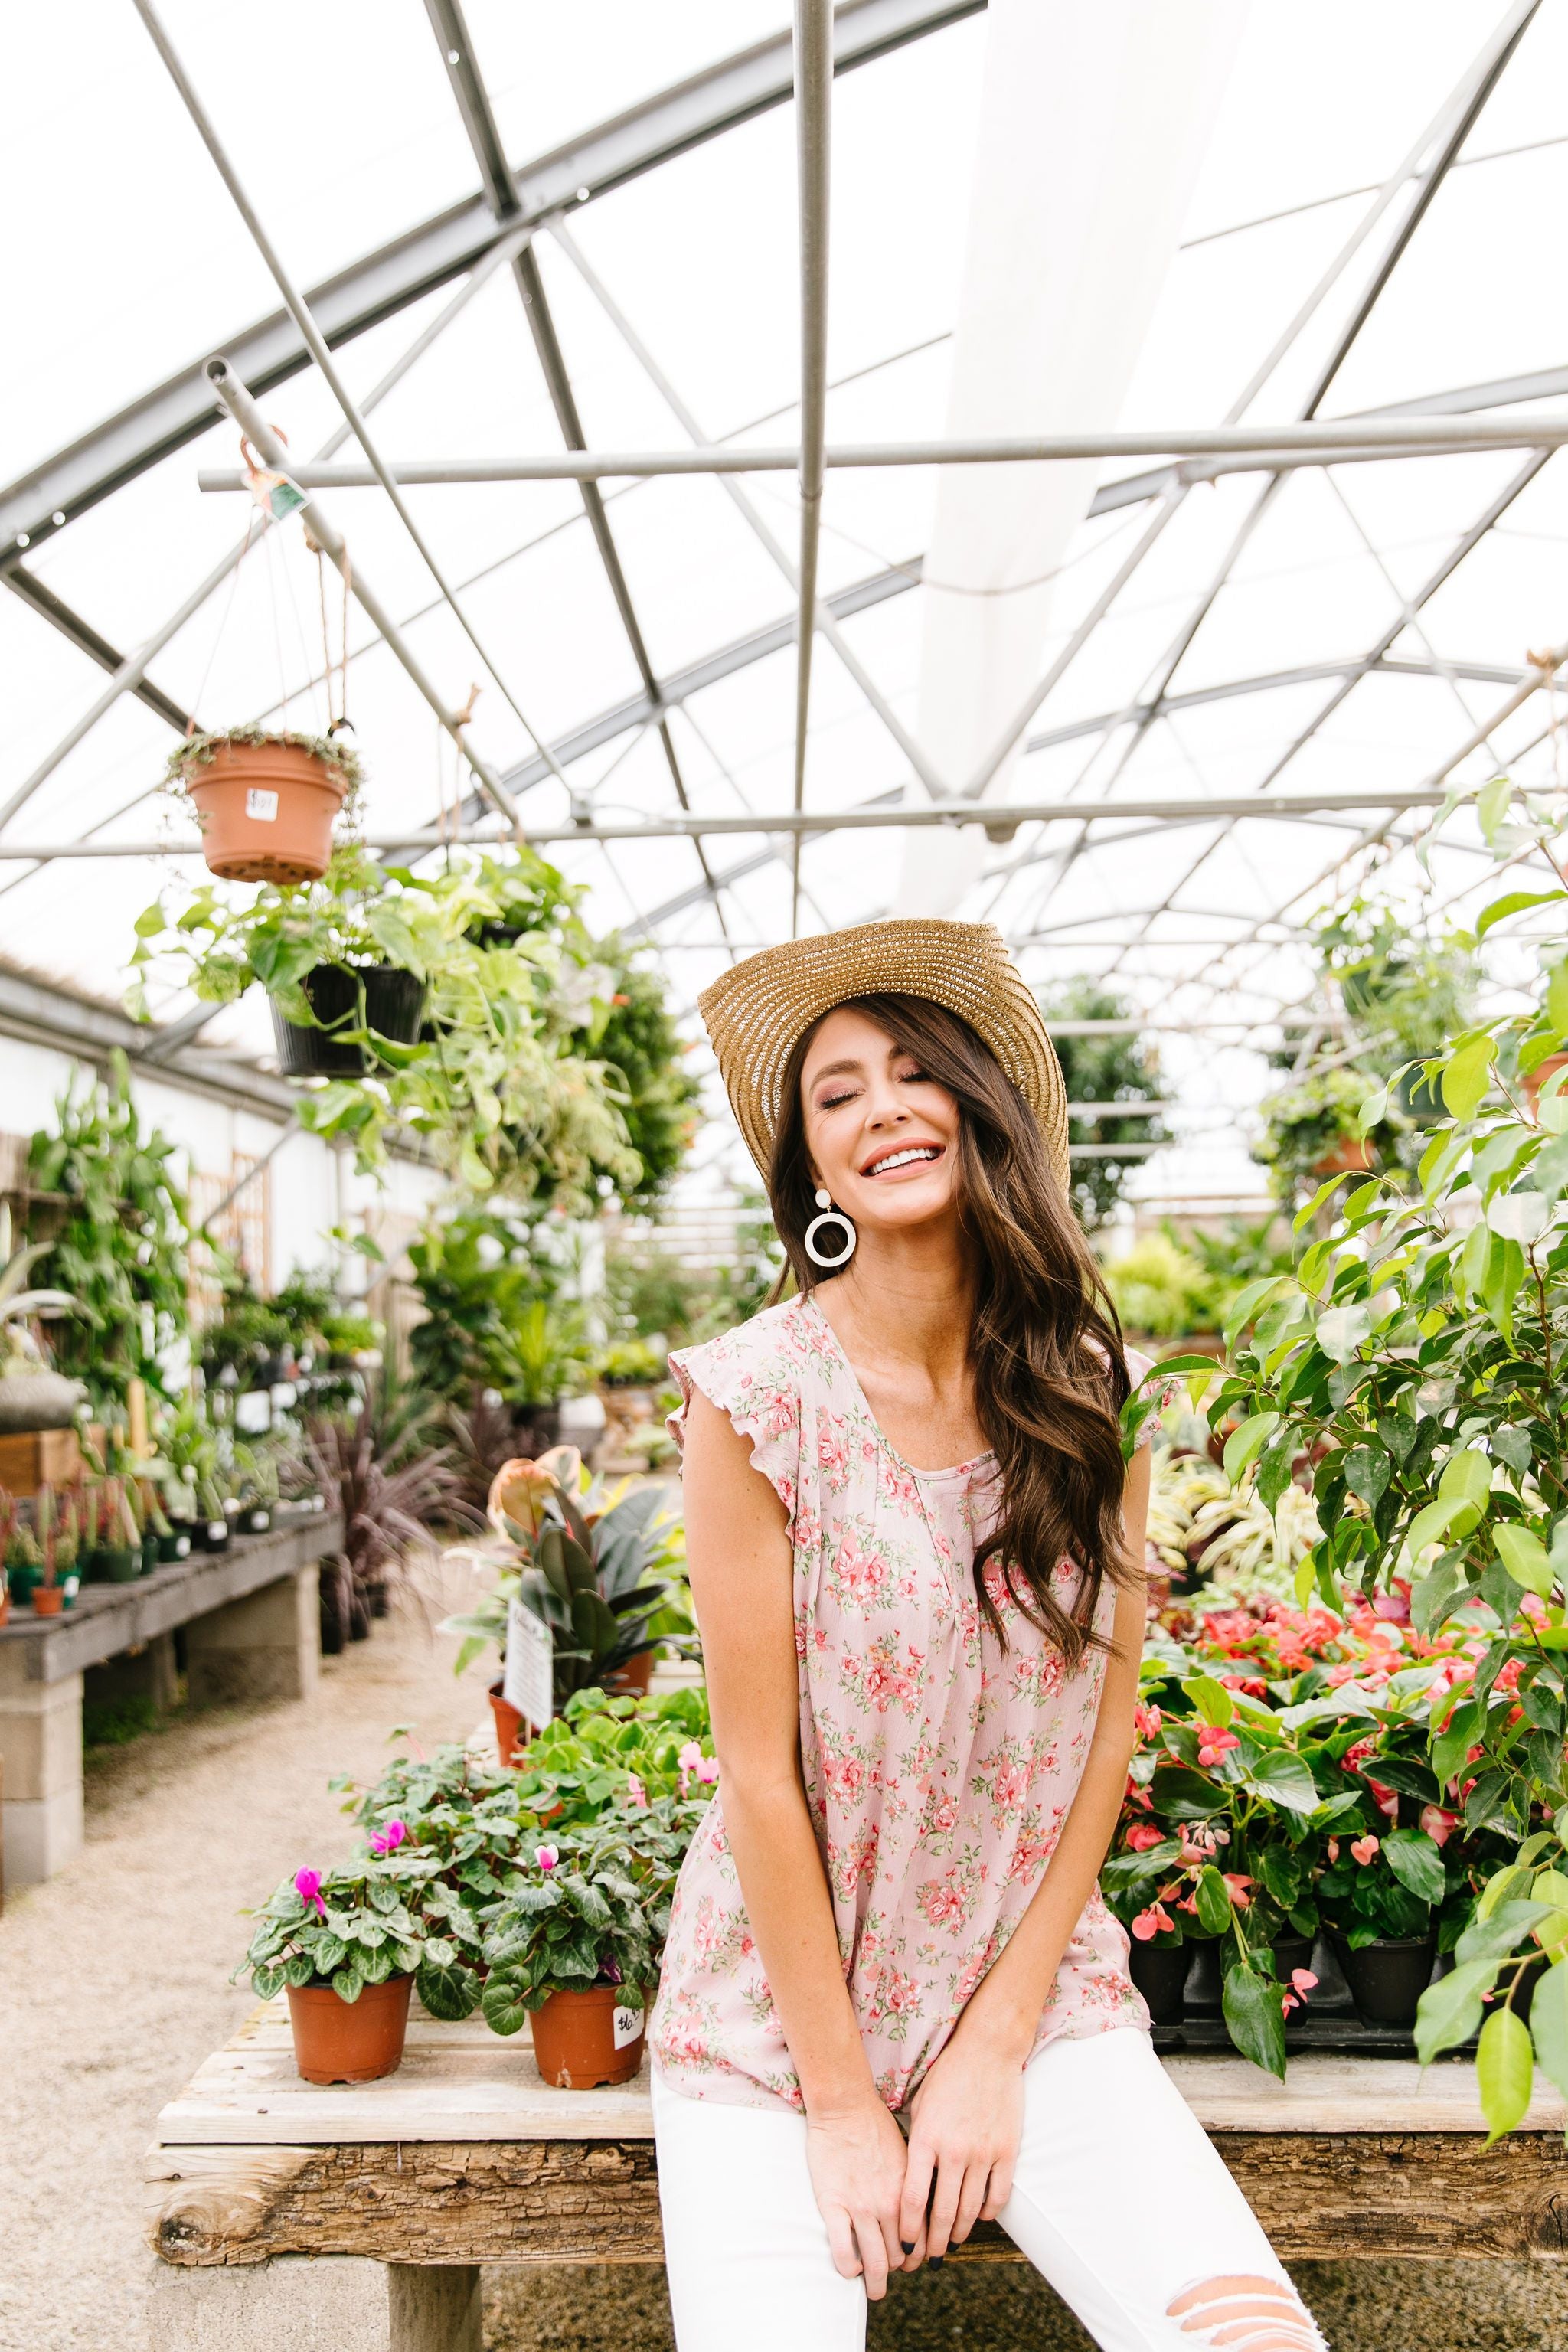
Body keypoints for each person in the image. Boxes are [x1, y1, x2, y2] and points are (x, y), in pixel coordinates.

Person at [648, 920, 1323, 2352]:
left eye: (912, 1073)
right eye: (835, 1094)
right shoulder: (754, 1401)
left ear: (977, 1110)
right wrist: (840, 2103)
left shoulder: (1092, 1396)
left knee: (1255, 2344)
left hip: (1028, 1990)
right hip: (780, 2026)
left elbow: (1100, 1732)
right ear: (813, 1171)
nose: (881, 1107)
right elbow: (757, 1779)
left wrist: (997, 2045)